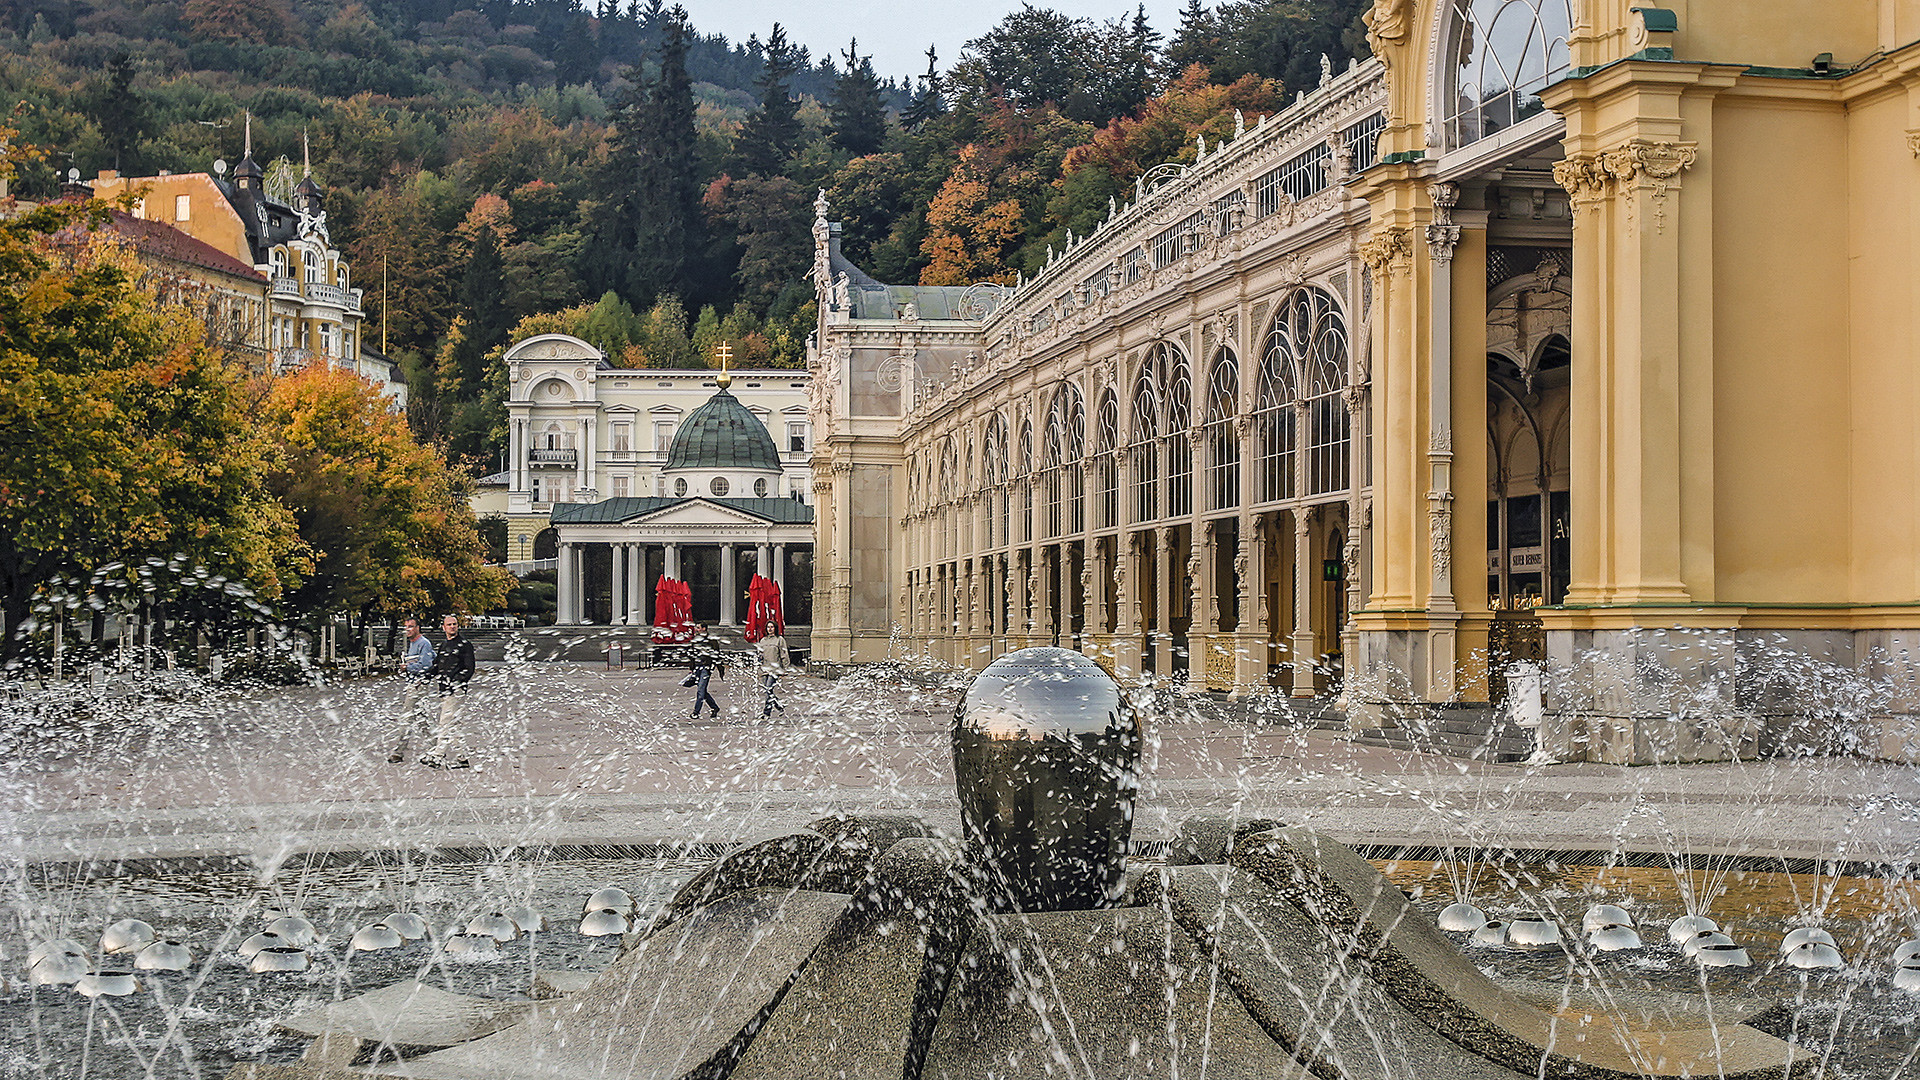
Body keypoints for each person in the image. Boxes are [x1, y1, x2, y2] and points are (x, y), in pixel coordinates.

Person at [423, 614, 476, 769]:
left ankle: (438, 755)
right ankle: (462, 758)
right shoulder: (444, 645)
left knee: (445, 722)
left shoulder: (464, 645)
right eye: (449, 624)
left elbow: (469, 668)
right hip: (444, 690)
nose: (452, 626)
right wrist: (425, 677)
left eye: (455, 624)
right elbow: (437, 665)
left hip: (456, 690)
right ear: (444, 627)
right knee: (454, 725)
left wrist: (456, 683)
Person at [387, 617, 435, 763]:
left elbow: (426, 666)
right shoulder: (412, 644)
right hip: (413, 685)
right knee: (422, 720)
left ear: (418, 628)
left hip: (418, 686)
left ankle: (398, 752)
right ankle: (436, 748)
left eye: (411, 626)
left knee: (406, 718)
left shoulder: (423, 643)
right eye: (406, 627)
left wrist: (408, 668)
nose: (408, 629)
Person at [686, 629, 722, 720]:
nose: (696, 629)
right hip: (697, 668)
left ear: (704, 629)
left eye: (698, 627)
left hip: (706, 668)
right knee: (702, 691)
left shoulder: (711, 640)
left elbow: (716, 654)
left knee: (700, 690)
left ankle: (696, 712)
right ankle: (714, 707)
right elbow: (692, 655)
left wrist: (716, 667)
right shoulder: (696, 640)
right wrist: (692, 668)